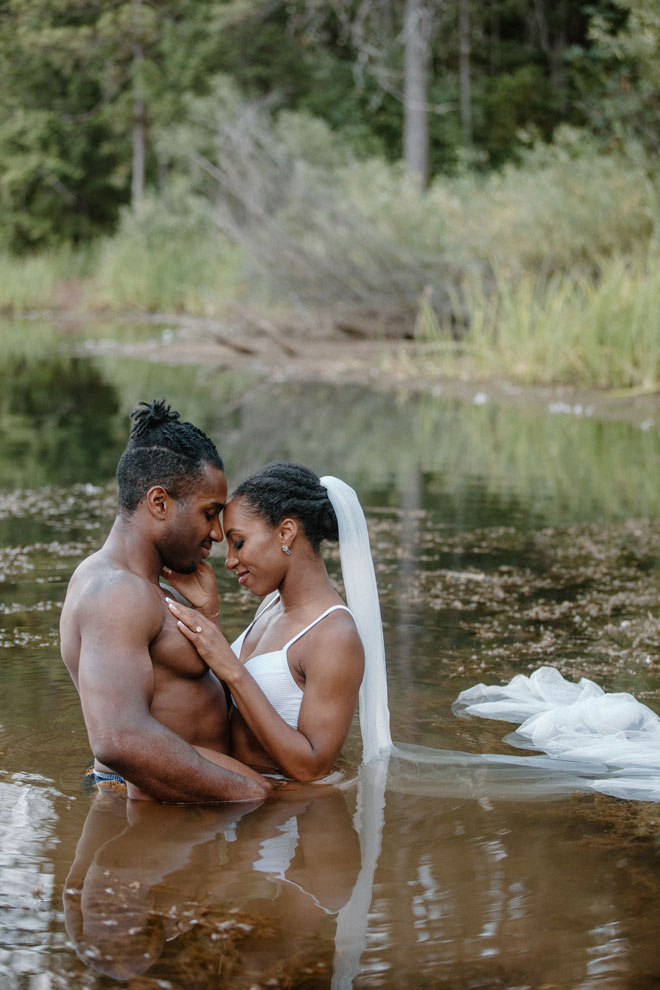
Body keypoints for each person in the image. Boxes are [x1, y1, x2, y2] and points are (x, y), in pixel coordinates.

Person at [60, 398, 271, 804]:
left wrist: (207, 615)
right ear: (159, 503)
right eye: (209, 513)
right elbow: (119, 739)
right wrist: (254, 793)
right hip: (155, 814)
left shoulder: (151, 587)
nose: (217, 533)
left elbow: (179, 693)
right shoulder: (116, 593)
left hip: (185, 808)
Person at [164, 463, 376, 781]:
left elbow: (313, 768)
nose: (229, 561)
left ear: (285, 533)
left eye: (238, 543)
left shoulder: (334, 636)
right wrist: (209, 613)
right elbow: (227, 705)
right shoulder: (271, 605)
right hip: (233, 791)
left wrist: (232, 669)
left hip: (279, 807)